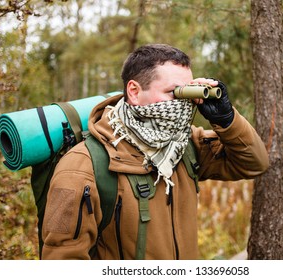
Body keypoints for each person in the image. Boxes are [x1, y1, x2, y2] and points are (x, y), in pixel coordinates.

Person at [41, 43, 269, 260]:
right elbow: (62, 260)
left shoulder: (184, 145)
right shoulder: (82, 166)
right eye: (174, 92)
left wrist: (227, 119)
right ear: (134, 91)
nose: (183, 103)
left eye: (188, 93)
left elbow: (254, 163)